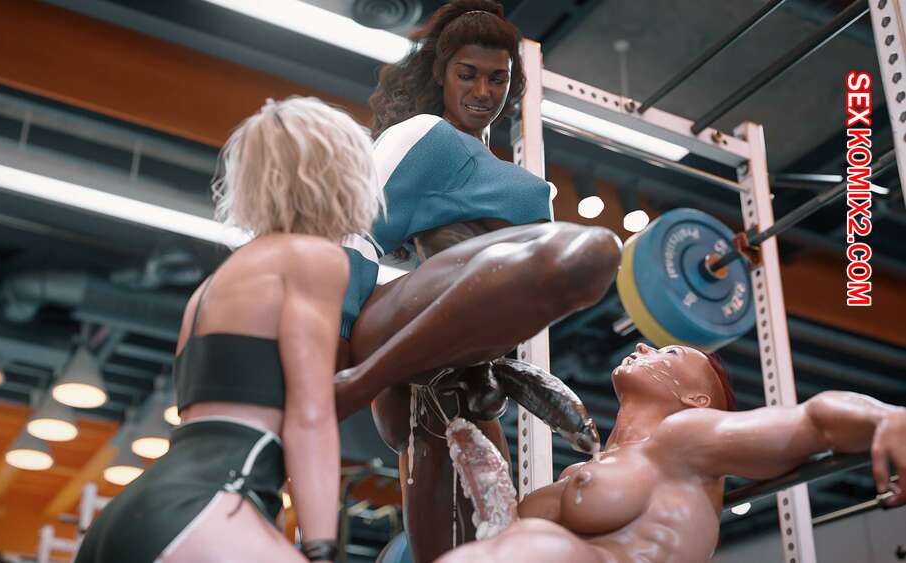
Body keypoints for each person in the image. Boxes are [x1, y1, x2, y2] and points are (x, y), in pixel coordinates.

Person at [332, 1, 620, 560]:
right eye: (468, 74)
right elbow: (353, 228)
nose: (484, 91)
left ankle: (498, 371)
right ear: (441, 73)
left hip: (470, 356)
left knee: (492, 520)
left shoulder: (503, 169)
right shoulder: (425, 134)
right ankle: (380, 377)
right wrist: (338, 345)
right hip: (414, 325)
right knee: (591, 251)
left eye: (498, 78)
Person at [75, 97, 385, 563]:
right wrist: (321, 549)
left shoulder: (211, 287)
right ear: (342, 176)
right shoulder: (312, 259)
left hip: (131, 515)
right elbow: (310, 416)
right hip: (203, 509)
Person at [435, 342, 906, 563]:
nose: (643, 346)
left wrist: (887, 416)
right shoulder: (581, 469)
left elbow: (813, 422)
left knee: (533, 545)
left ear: (697, 399)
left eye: (671, 353)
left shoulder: (685, 438)